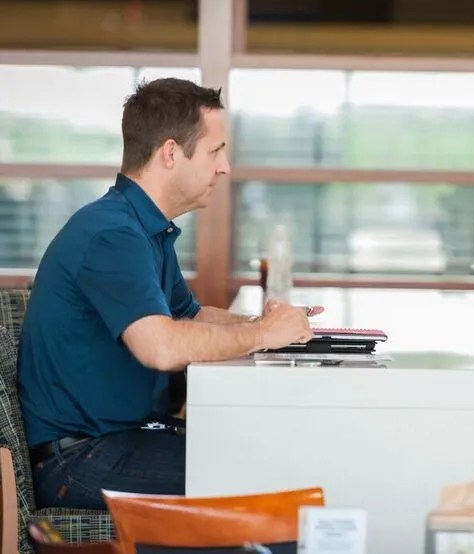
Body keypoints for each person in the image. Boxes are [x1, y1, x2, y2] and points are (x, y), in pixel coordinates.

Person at [18, 78, 316, 510]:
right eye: (216, 151)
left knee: (275, 454)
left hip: (120, 440)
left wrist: (268, 325)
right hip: (79, 460)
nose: (225, 167)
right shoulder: (111, 234)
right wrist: (263, 335)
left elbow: (189, 317)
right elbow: (160, 347)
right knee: (272, 475)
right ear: (172, 153)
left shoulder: (143, 230)